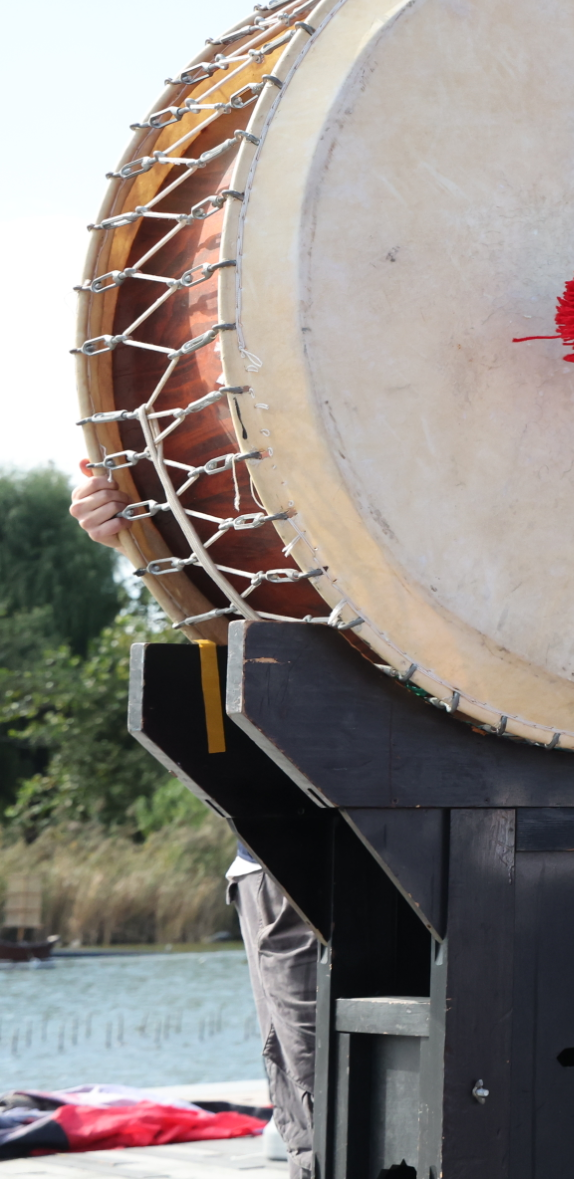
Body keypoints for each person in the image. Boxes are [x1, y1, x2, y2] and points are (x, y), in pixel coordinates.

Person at [69, 462, 318, 1178]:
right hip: (288, 841)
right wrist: (136, 535)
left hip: (507, 822)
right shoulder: (232, 454)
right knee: (323, 1120)